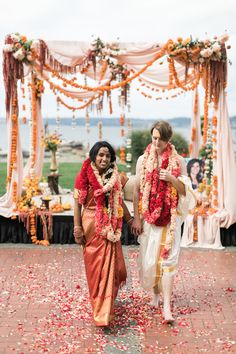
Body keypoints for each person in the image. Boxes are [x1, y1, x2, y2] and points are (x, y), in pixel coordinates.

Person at [132, 121, 196, 323]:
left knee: (168, 259)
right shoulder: (143, 160)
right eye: (154, 137)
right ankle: (155, 296)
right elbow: (136, 190)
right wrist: (136, 217)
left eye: (160, 138)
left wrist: (171, 178)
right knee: (150, 259)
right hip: (149, 216)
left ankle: (167, 307)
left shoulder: (179, 161)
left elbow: (186, 191)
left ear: (168, 139)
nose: (156, 142)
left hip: (171, 217)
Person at [73, 141, 133, 327]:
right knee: (95, 269)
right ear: (93, 156)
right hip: (91, 225)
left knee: (113, 267)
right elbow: (77, 203)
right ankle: (99, 307)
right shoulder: (83, 175)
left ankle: (105, 310)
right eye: (100, 155)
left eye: (107, 155)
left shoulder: (115, 177)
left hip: (111, 225)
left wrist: (130, 219)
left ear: (111, 158)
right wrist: (77, 228)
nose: (104, 158)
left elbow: (119, 200)